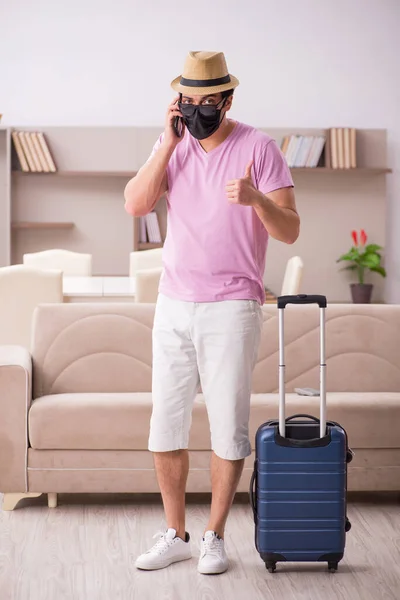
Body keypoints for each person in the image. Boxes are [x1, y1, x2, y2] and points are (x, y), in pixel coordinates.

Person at [124, 50, 300, 575]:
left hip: (233, 306)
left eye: (208, 101)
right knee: (166, 426)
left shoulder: (259, 147)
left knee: (227, 427)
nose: (198, 109)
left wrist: (255, 200)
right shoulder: (172, 145)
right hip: (174, 303)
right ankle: (175, 532)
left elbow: (289, 229)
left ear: (227, 100)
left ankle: (214, 537)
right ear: (178, 103)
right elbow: (135, 204)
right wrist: (169, 143)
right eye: (189, 101)